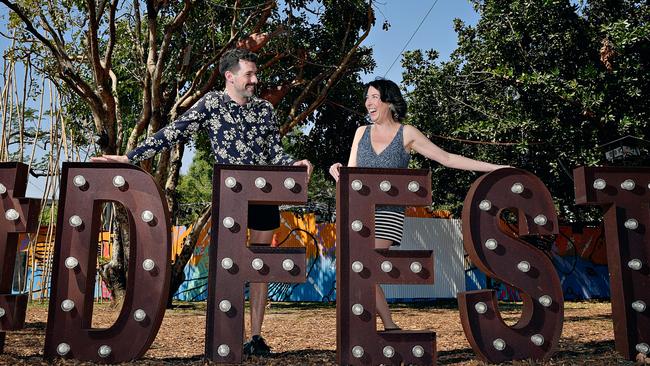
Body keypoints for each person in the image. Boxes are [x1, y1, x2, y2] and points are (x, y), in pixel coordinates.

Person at [92, 48, 313, 356]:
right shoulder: (211, 104)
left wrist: (294, 163)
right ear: (230, 76)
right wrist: (130, 157)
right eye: (249, 74)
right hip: (231, 197)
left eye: (255, 74)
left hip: (264, 194)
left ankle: (257, 337)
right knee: (231, 265)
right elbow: (173, 132)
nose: (255, 80)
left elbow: (275, 152)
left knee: (261, 264)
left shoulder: (264, 109)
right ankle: (225, 335)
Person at [329, 78, 507, 330]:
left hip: (388, 214)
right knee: (358, 269)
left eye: (374, 97)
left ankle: (388, 325)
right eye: (367, 97)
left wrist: (496, 169)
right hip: (358, 213)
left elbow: (446, 158)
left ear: (389, 102)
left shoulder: (407, 133)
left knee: (364, 265)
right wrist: (339, 169)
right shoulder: (361, 132)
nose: (368, 102)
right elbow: (352, 174)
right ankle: (385, 327)